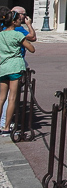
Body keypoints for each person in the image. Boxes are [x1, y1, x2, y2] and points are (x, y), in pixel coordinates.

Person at [0, 7, 34, 135]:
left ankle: (1, 124)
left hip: (2, 67)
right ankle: (6, 127)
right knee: (12, 98)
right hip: (14, 66)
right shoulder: (17, 34)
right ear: (13, 22)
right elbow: (31, 48)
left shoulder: (0, 34)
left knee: (1, 98)